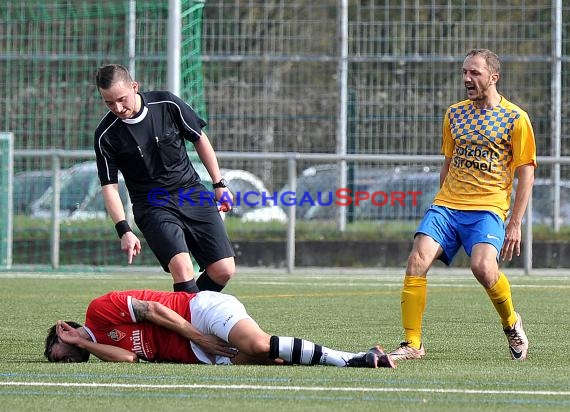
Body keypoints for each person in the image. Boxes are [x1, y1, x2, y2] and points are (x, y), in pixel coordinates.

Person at [389, 49, 536, 361]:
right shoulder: (454, 114)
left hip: (488, 209)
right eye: (465, 72)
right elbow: (448, 162)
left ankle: (511, 322)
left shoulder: (516, 119)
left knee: (483, 268)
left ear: (493, 77)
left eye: (475, 73)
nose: (467, 79)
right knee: (417, 260)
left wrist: (515, 223)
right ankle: (413, 343)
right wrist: (443, 203)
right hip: (447, 206)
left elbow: (527, 175)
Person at [93, 64, 235, 294]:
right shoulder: (105, 135)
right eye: (109, 103)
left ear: (135, 87)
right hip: (152, 205)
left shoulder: (167, 104)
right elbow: (109, 187)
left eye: (121, 99)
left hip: (191, 192)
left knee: (223, 269)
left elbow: (199, 138)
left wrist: (219, 183)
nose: (117, 108)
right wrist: (124, 230)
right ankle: (185, 328)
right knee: (182, 266)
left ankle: (181, 317)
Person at [44, 289, 395, 369]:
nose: (57, 360)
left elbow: (152, 309)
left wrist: (199, 336)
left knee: (257, 343)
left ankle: (353, 361)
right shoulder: (101, 350)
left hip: (200, 312)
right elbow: (129, 360)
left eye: (54, 353)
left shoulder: (97, 311)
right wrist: (87, 347)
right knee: (272, 361)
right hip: (197, 353)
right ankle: (366, 357)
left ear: (63, 329)